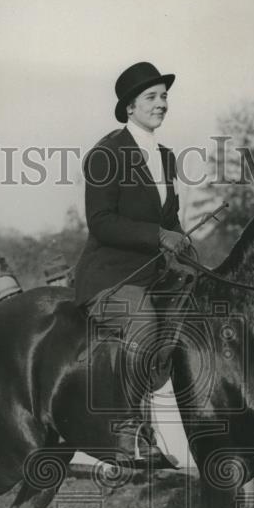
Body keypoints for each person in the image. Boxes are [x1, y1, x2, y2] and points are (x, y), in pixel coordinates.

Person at [72, 61, 189, 463]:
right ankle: (126, 428)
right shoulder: (106, 153)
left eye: (164, 97)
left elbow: (169, 220)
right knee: (143, 324)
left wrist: (187, 250)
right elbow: (101, 222)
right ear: (129, 107)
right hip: (110, 278)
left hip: (157, 276)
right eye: (152, 98)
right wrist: (158, 236)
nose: (162, 104)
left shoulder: (167, 157)